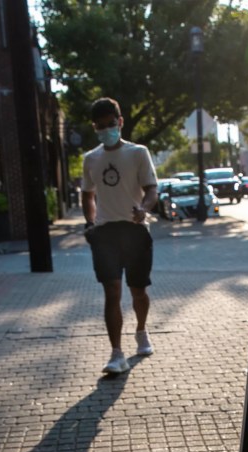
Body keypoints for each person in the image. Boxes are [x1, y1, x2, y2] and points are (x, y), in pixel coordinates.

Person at [81, 97, 159, 375]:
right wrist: (90, 223)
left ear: (120, 122)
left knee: (138, 290)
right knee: (111, 291)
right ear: (95, 127)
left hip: (135, 229)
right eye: (100, 127)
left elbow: (151, 189)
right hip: (105, 233)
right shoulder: (91, 158)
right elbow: (87, 194)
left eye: (111, 124)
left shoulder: (138, 153)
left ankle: (141, 330)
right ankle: (116, 353)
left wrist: (144, 208)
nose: (106, 130)